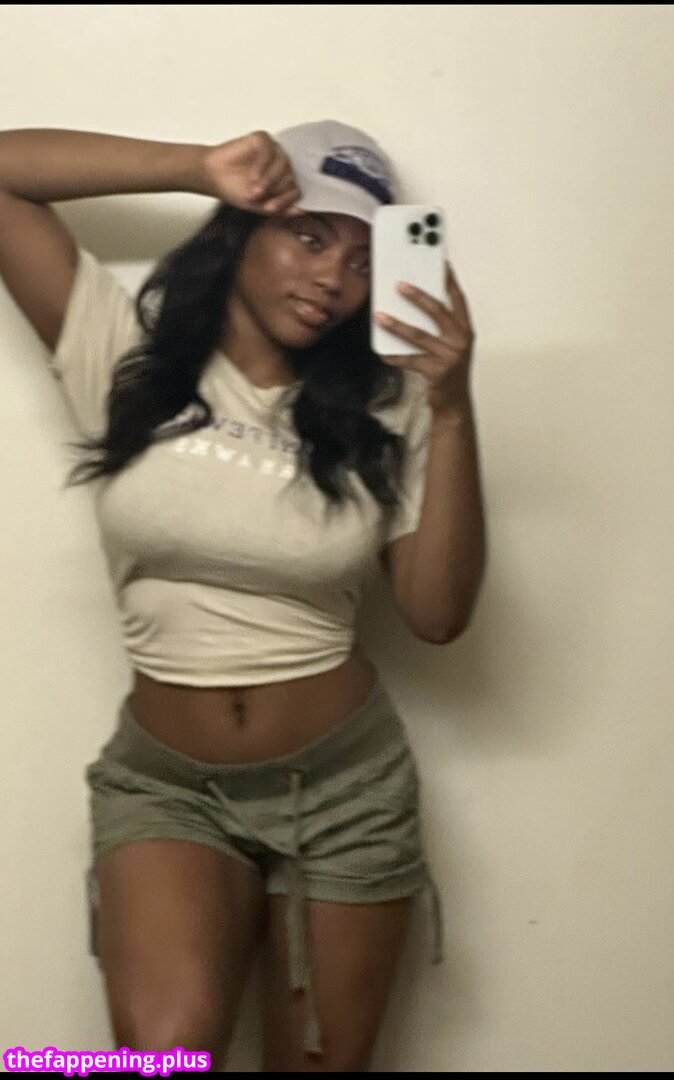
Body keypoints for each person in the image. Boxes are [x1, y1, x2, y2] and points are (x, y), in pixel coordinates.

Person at [0, 119, 486, 1071]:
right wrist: (195, 166)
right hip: (167, 789)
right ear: (244, 226)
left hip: (346, 790)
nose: (334, 278)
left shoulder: (390, 406)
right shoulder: (122, 353)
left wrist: (455, 405)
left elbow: (437, 616)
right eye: (310, 236)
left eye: (362, 259)